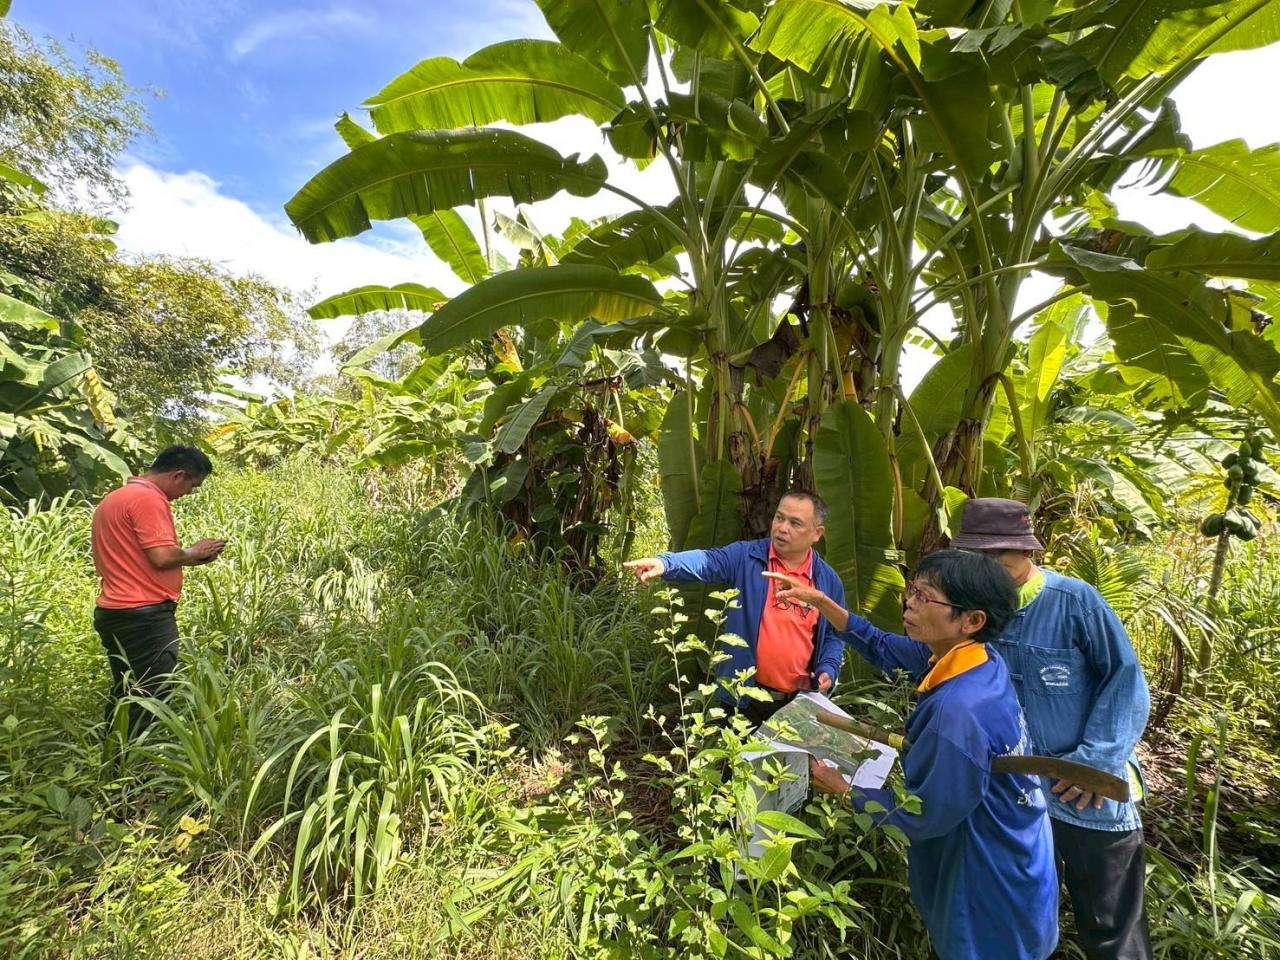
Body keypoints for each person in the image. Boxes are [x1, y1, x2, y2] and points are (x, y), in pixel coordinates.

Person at [768, 549, 1058, 960]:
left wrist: (844, 790)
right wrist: (818, 600)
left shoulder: (957, 715)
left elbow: (924, 815)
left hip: (982, 876)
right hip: (1020, 851)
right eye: (914, 590)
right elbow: (881, 645)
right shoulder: (975, 660)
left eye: (926, 597)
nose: (910, 602)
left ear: (972, 620)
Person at [950, 498, 1152, 960]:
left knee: (1111, 925)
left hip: (1087, 789)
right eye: (977, 561)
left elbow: (1124, 679)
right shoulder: (976, 612)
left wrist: (1095, 760)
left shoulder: (1075, 601)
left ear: (1026, 553)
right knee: (1023, 917)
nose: (987, 571)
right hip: (1015, 795)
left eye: (997, 560)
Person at [624, 491, 846, 724]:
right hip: (742, 697)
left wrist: (828, 668)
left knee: (790, 762)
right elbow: (708, 561)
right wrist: (664, 563)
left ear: (816, 534)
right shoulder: (746, 557)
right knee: (734, 759)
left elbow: (834, 634)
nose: (782, 527)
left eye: (795, 523)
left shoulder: (827, 582)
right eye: (779, 518)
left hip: (797, 704)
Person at [92, 445, 226, 733]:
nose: (190, 492)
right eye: (193, 485)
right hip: (144, 616)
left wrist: (191, 560)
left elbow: (138, 560)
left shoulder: (115, 498)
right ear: (178, 475)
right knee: (150, 695)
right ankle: (136, 770)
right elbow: (163, 556)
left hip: (114, 612)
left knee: (127, 687)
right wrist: (194, 551)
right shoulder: (148, 499)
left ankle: (112, 757)